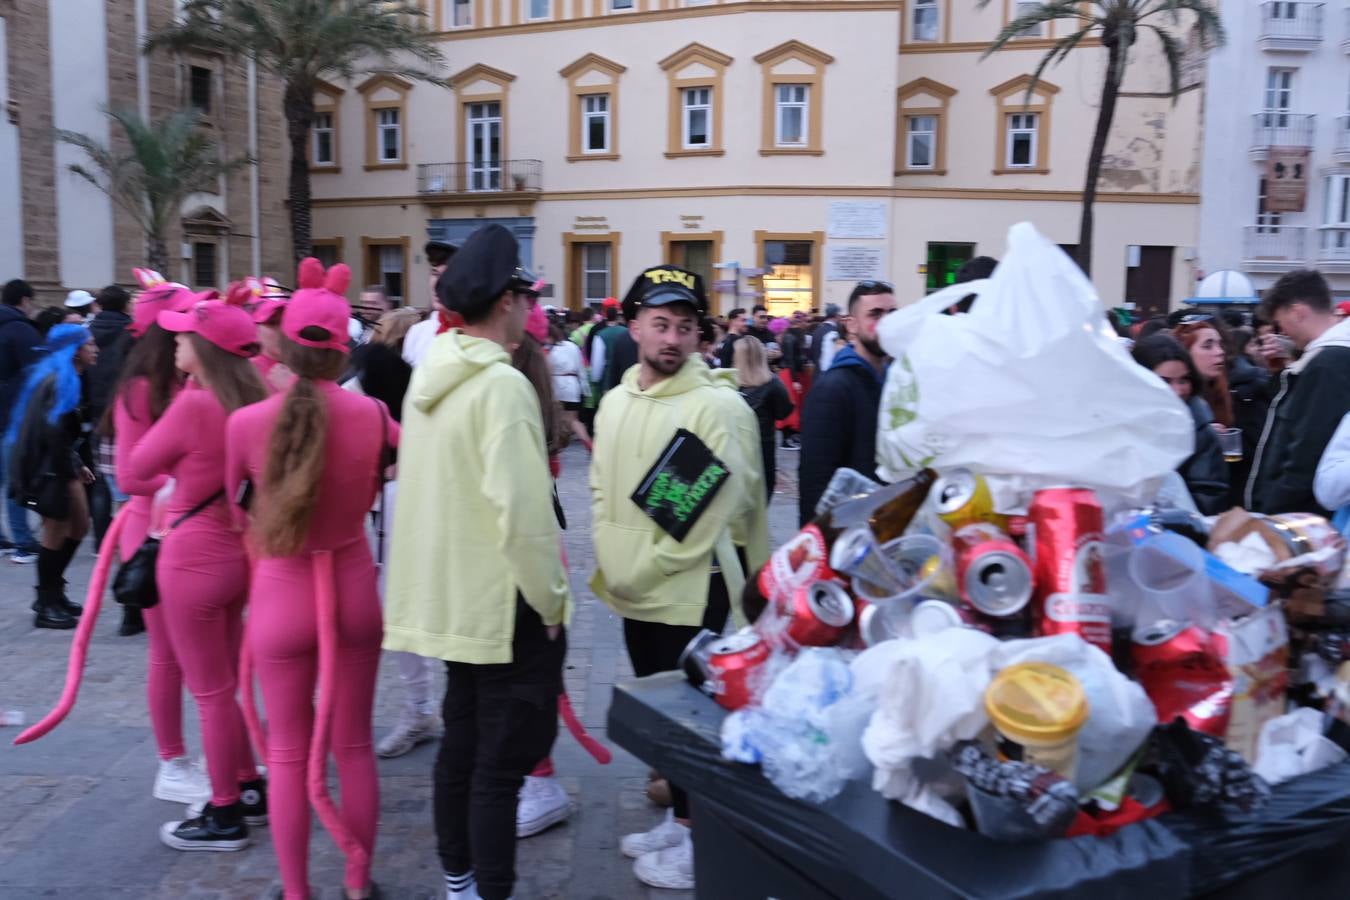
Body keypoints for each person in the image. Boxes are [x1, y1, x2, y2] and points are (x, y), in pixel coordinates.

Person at [384, 224, 570, 900]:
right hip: (504, 604)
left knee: (461, 753)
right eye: (524, 295)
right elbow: (522, 516)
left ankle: (459, 884)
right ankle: (487, 891)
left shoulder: (434, 371)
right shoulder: (501, 387)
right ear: (506, 302)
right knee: (497, 768)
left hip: (454, 600)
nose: (529, 308)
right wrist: (551, 602)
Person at [590, 265, 767, 892]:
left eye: (684, 327)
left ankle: (700, 840)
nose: (671, 337)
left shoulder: (715, 406)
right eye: (660, 323)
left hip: (694, 590)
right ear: (633, 325)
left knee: (695, 720)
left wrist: (644, 566)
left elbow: (707, 513)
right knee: (664, 715)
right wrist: (611, 556)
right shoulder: (613, 401)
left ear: (699, 336)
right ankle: (681, 823)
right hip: (633, 590)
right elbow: (600, 488)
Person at [226, 259, 391, 900]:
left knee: (290, 755)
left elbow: (239, 511)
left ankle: (296, 892)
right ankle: (357, 885)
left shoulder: (244, 424)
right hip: (352, 589)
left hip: (279, 596)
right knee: (353, 746)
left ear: (284, 345)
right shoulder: (373, 415)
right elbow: (408, 458)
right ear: (344, 347)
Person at [128, 297, 268, 852]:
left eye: (184, 336)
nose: (175, 343)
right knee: (228, 685)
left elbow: (138, 468)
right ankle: (248, 784)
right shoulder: (253, 399)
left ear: (204, 351)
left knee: (210, 692)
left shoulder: (193, 408)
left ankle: (225, 813)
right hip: (237, 556)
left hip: (191, 559)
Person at [107, 276, 209, 798]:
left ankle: (213, 759)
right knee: (168, 656)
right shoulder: (142, 388)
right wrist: (185, 479)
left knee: (202, 659)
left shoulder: (183, 381)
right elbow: (128, 474)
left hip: (189, 530)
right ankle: (172, 762)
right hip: (152, 533)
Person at [4, 324, 98, 627]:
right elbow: (51, 433)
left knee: (78, 527)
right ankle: (46, 603)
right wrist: (69, 469)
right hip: (48, 469)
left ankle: (53, 592)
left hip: (57, 465)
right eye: (90, 344)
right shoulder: (58, 382)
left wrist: (74, 463)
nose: (95, 349)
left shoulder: (66, 379)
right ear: (75, 351)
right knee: (58, 531)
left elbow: (59, 433)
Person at [1246, 269, 1350, 515]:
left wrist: (1274, 513)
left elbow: (1305, 449)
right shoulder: (1327, 359)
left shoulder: (1328, 364)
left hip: (1298, 518)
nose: (1282, 333)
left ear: (1298, 312)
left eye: (1280, 324)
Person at [797, 280, 897, 525]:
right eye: (875, 314)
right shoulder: (833, 388)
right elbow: (815, 481)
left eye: (892, 314)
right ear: (851, 325)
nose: (886, 322)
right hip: (849, 537)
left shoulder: (897, 382)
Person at [1131, 334, 1230, 515]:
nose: (1177, 391)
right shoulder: (1120, 422)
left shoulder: (1199, 429)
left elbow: (1209, 498)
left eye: (1183, 380)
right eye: (1164, 381)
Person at [83, 285, 134, 552]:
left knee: (100, 479)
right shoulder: (132, 332)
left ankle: (102, 541)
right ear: (125, 304)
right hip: (124, 410)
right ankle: (127, 536)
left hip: (94, 410)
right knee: (126, 475)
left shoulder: (87, 332)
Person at [0, 278, 41, 563]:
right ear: (25, 301)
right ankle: (23, 541)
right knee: (17, 480)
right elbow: (38, 372)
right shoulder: (20, 330)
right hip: (13, 416)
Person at [734, 336, 793, 502]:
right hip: (763, 443)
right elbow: (784, 411)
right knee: (763, 491)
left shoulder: (729, 383)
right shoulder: (773, 383)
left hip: (737, 443)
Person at [402, 239, 458, 368]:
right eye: (435, 273)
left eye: (447, 276)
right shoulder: (418, 333)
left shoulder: (482, 334)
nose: (437, 285)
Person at [546, 320, 592, 450]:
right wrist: (585, 389)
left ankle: (557, 446)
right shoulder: (573, 347)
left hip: (557, 384)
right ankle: (587, 442)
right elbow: (581, 368)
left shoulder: (551, 349)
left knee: (557, 418)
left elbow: (548, 368)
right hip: (573, 385)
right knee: (573, 420)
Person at [809, 303, 841, 373]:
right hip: (831, 374)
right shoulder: (836, 331)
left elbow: (811, 354)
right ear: (836, 316)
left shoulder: (816, 331)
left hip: (817, 374)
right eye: (839, 315)